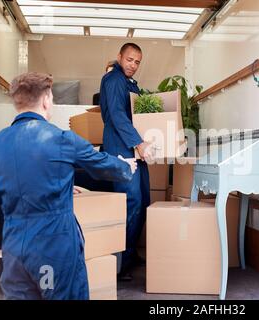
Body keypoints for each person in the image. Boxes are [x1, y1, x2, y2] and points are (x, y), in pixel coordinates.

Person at [0, 72, 138, 300]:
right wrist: (125, 166)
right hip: (52, 246)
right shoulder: (60, 138)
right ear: (46, 100)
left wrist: (61, 183)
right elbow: (102, 164)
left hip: (14, 248)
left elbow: (22, 174)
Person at [99, 43, 153, 280]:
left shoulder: (129, 83)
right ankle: (119, 264)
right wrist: (139, 143)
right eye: (129, 59)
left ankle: (129, 255)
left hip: (134, 149)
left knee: (142, 199)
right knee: (130, 202)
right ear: (120, 57)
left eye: (137, 62)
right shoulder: (113, 80)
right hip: (121, 148)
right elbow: (119, 116)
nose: (133, 65)